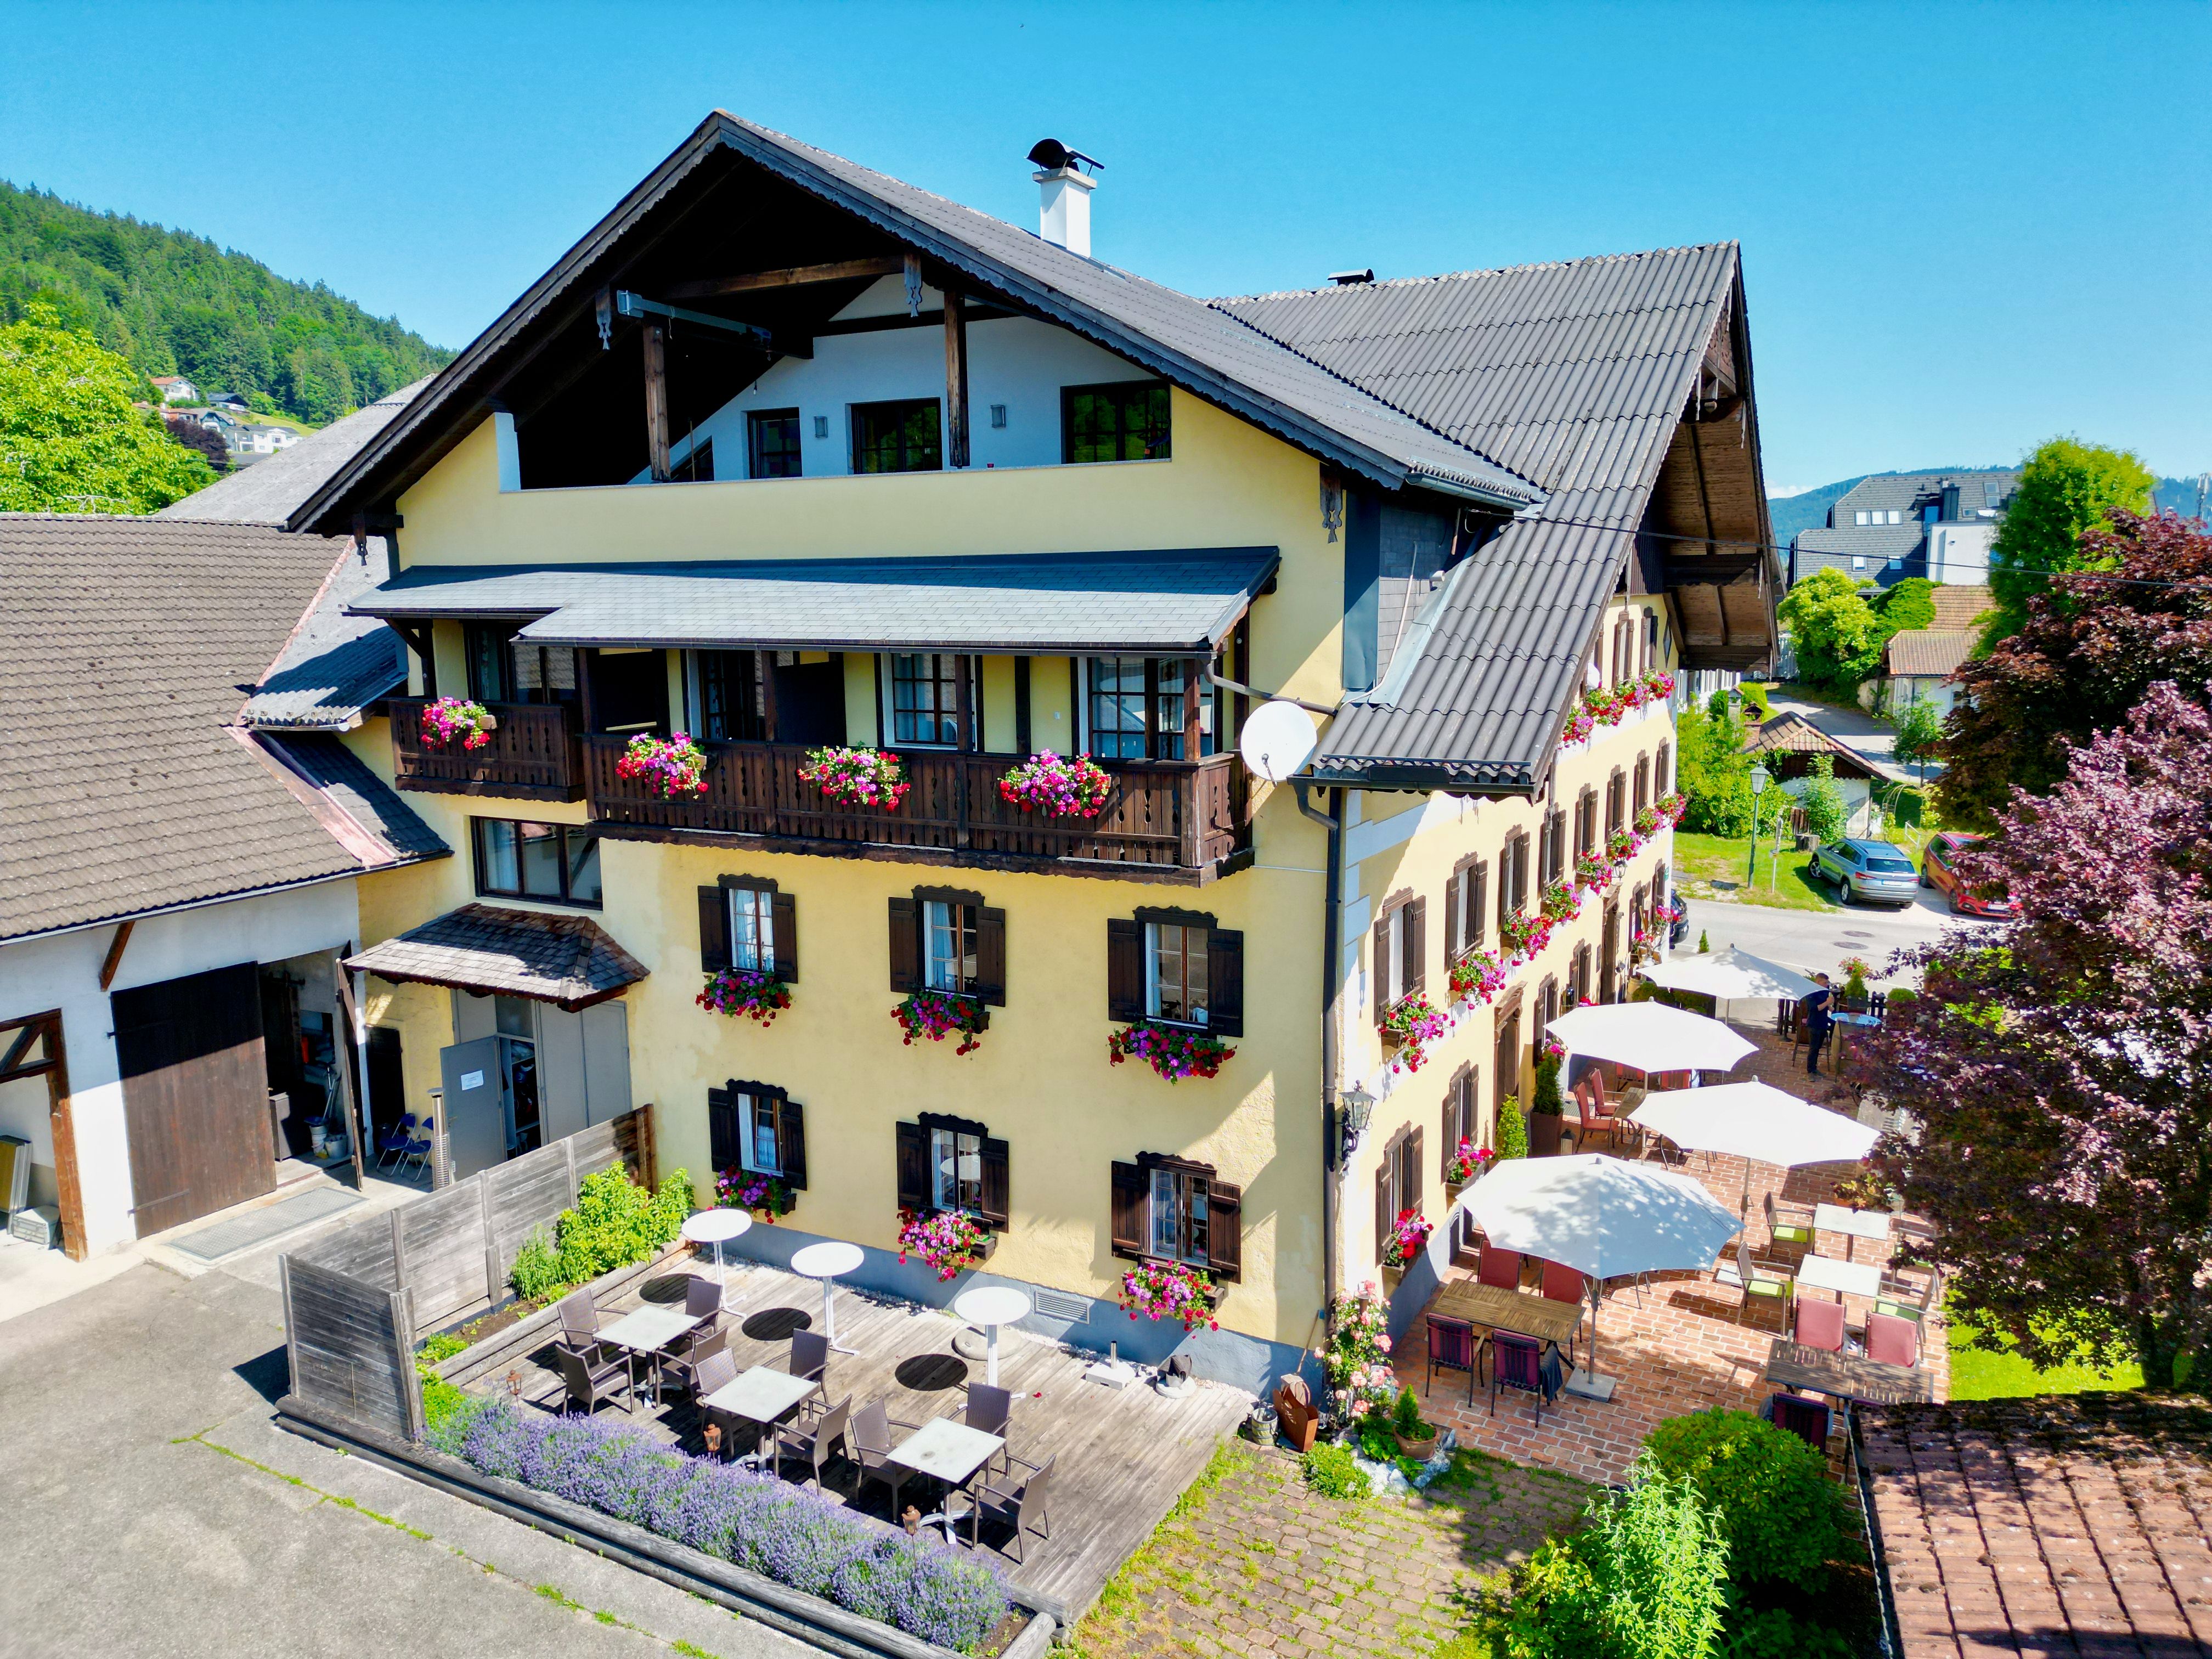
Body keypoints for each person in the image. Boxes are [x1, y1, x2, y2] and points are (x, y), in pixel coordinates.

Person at [1802, 972, 1835, 1077]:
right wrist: (1827, 1003)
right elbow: (1815, 1008)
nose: (1827, 985)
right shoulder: (1812, 993)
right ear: (1818, 982)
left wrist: (1829, 1007)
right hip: (1814, 1022)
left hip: (1823, 1022)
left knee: (1819, 1046)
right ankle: (1811, 1070)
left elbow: (1823, 1004)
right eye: (1825, 983)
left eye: (1827, 983)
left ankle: (1815, 1068)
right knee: (1814, 1048)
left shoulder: (1825, 991)